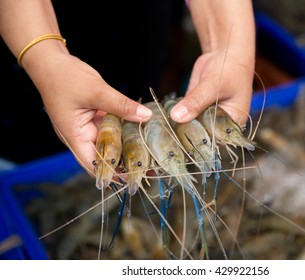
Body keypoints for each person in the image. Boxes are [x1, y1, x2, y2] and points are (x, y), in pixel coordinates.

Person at [0, 0, 255, 177]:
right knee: (31, 151)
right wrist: (45, 59)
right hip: (24, 32)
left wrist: (229, 46)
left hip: (139, 25)